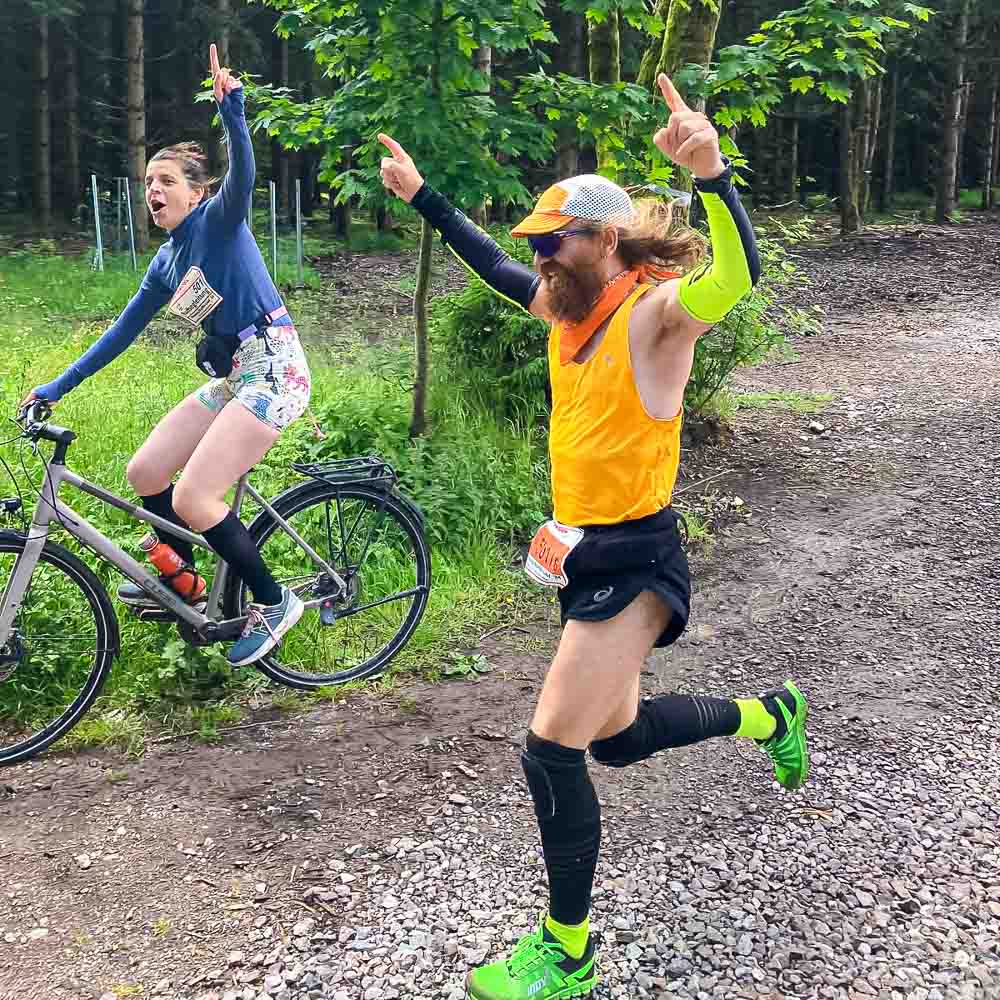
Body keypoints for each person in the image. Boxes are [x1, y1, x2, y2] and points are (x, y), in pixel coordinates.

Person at [378, 73, 809, 1000]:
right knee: (613, 741)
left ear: (605, 239)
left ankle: (566, 950)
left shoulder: (656, 317)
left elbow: (736, 278)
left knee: (550, 747)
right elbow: (495, 267)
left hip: (637, 556)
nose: (538, 257)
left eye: (554, 241)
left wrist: (713, 172)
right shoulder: (566, 311)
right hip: (583, 553)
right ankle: (768, 714)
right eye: (537, 243)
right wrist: (425, 199)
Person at [25, 45, 310, 667]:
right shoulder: (166, 262)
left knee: (193, 499)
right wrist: (55, 386)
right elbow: (121, 332)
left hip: (276, 366)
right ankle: (181, 581)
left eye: (166, 182)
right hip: (238, 374)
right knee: (146, 474)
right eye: (149, 183)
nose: (154, 190)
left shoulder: (219, 220)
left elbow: (245, 178)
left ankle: (273, 599)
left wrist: (232, 107)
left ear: (196, 192)